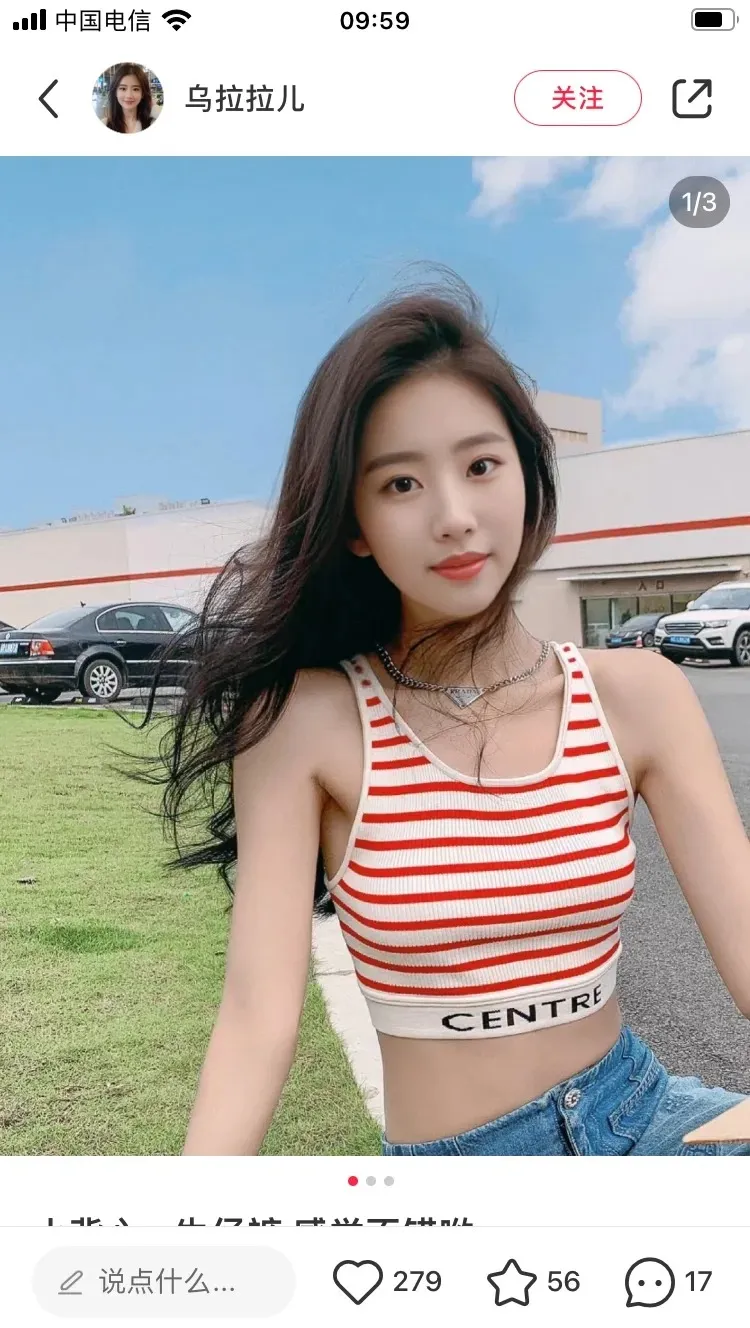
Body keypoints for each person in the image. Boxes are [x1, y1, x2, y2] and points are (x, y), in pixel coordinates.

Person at [145, 275, 750, 1156]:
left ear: (527, 474)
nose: (456, 517)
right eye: (401, 483)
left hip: (645, 1118)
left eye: (480, 466)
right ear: (353, 523)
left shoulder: (639, 693)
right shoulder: (304, 722)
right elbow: (254, 1021)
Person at [103, 64, 155, 134]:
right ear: (115, 92)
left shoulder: (152, 123)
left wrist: (153, 108)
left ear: (142, 94)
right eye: (123, 88)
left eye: (135, 89)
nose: (129, 95)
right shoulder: (105, 124)